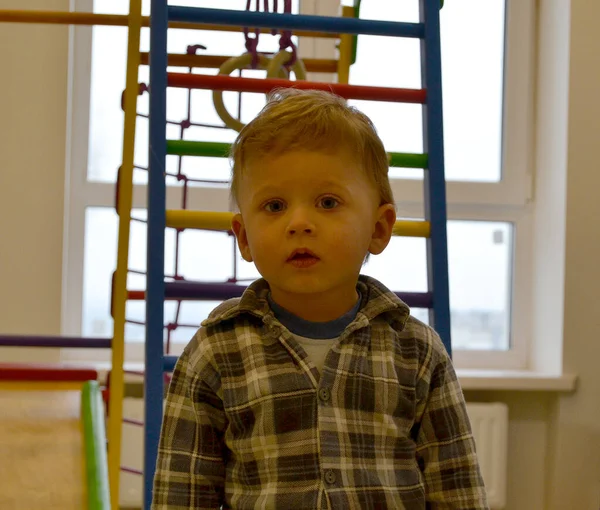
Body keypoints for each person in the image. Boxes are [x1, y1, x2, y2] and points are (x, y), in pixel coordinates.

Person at [152, 89, 489, 509]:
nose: (299, 223)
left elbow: (457, 488)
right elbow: (180, 494)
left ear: (379, 228)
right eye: (274, 205)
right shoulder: (214, 352)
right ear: (244, 237)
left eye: (327, 202)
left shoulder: (418, 351)